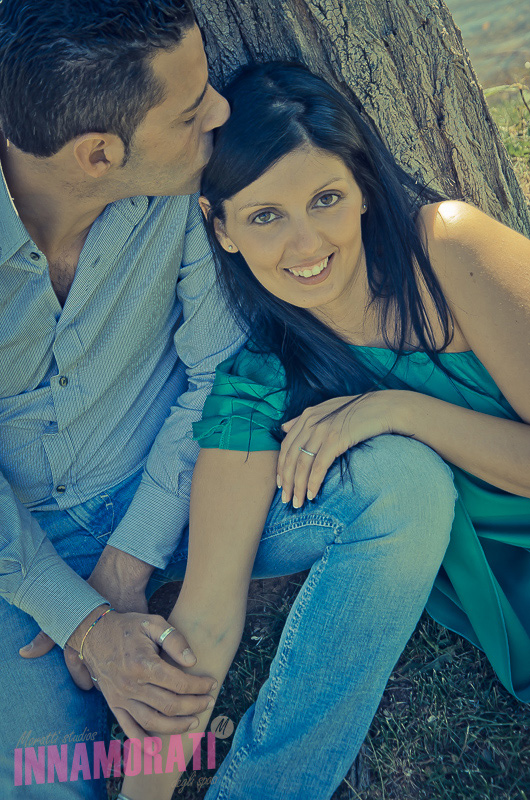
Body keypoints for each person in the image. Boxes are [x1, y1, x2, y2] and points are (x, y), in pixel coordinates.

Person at [119, 61, 530, 800]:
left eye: (326, 198)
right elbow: (207, 620)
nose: (305, 244)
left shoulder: (449, 249)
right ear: (222, 229)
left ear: (364, 190)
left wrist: (398, 410)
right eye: (265, 216)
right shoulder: (256, 383)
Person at [0, 2, 247, 799]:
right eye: (191, 108)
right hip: (18, 548)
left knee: (394, 490)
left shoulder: (180, 179)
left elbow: (217, 372)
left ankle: (258, 773)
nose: (221, 111)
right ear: (100, 153)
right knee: (42, 780)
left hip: (173, 491)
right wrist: (84, 620)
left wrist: (131, 555)